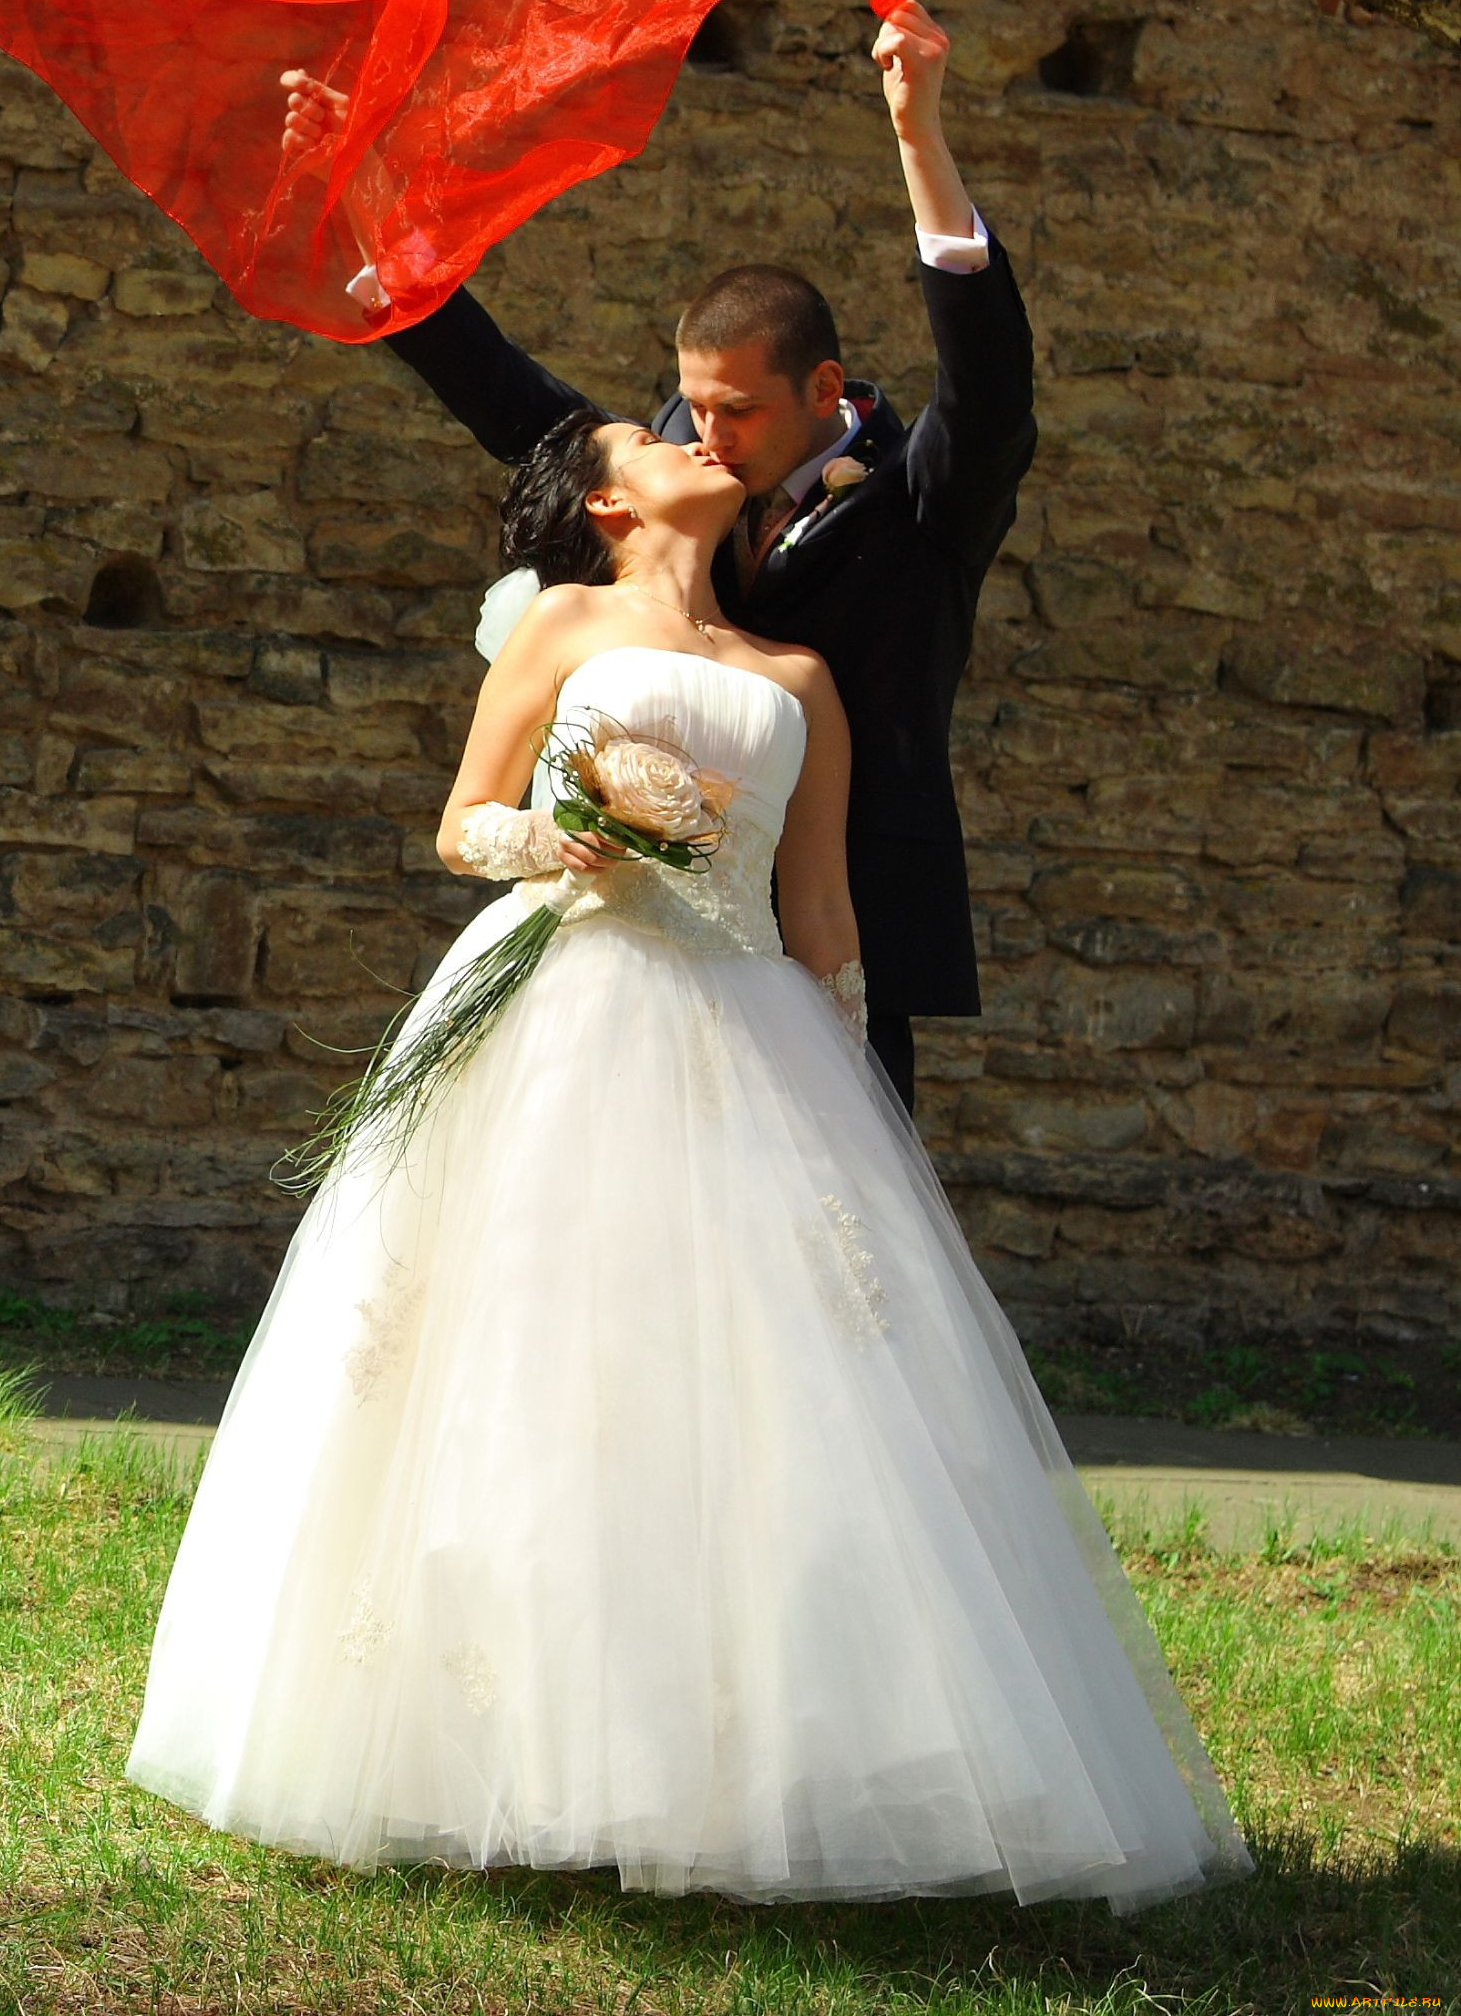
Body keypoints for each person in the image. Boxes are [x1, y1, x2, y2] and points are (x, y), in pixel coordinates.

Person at [122, 411, 1251, 1908]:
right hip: (561, 1000)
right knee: (526, 1370)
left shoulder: (799, 681)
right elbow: (462, 819)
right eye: (643, 435)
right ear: (603, 495)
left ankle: (729, 1756)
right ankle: (494, 1744)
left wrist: (853, 1101)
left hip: (744, 1023)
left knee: (751, 1397)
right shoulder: (567, 622)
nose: (685, 437)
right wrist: (551, 843)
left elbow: (822, 903)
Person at [305, 1, 1028, 1112]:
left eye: (733, 411)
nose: (703, 437)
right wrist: (368, 209)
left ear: (824, 394)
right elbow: (507, 398)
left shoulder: (920, 504)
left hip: (846, 924)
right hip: (641, 940)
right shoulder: (668, 481)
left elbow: (989, 393)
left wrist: (920, 137)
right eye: (687, 409)